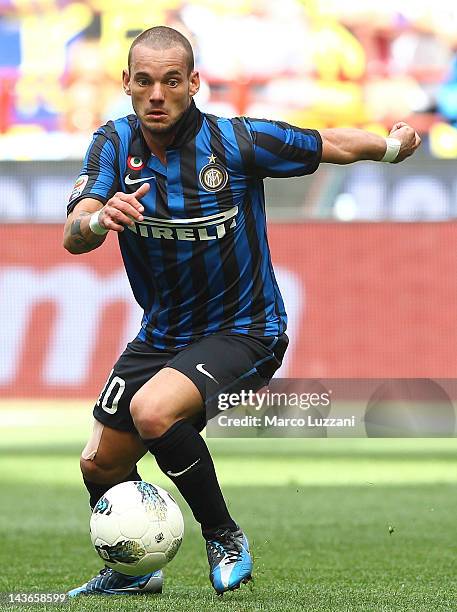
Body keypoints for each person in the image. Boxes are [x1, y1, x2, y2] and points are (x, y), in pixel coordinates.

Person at [63, 26, 421, 597]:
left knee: (155, 411)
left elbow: (327, 142)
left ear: (194, 84)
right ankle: (134, 571)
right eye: (146, 81)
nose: (158, 94)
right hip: (163, 333)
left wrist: (392, 146)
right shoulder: (112, 145)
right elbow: (74, 232)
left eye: (172, 82)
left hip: (246, 328)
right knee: (99, 466)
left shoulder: (234, 143)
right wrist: (97, 219)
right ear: (127, 83)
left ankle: (223, 535)